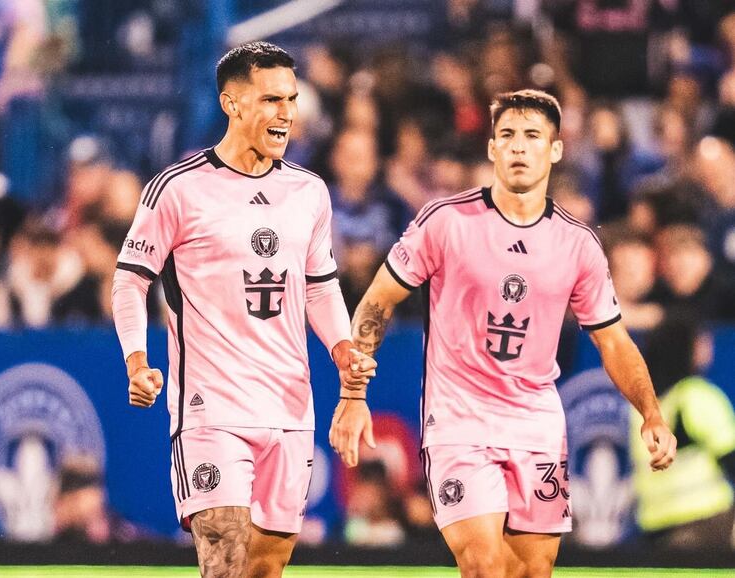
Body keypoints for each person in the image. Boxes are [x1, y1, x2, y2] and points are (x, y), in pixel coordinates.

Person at [330, 90, 677, 578]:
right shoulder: (446, 222)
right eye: (507, 136)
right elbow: (377, 301)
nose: (518, 147)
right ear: (492, 149)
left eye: (532, 136)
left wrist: (651, 413)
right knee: (484, 564)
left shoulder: (577, 244)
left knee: (531, 572)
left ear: (555, 150)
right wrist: (352, 392)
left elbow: (613, 340)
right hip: (458, 422)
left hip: (535, 422)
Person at [112, 42, 376, 578]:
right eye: (272, 100)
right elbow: (128, 282)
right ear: (232, 104)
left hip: (289, 408)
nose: (287, 113)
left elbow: (321, 288)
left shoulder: (309, 192)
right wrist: (137, 359)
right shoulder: (177, 189)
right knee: (225, 556)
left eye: (292, 99)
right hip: (212, 410)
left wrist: (342, 346)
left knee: (265, 569)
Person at [633, 316, 735, 551]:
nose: (707, 346)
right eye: (701, 340)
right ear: (686, 347)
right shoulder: (696, 395)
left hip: (653, 530)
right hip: (706, 523)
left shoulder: (640, 407)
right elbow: (731, 459)